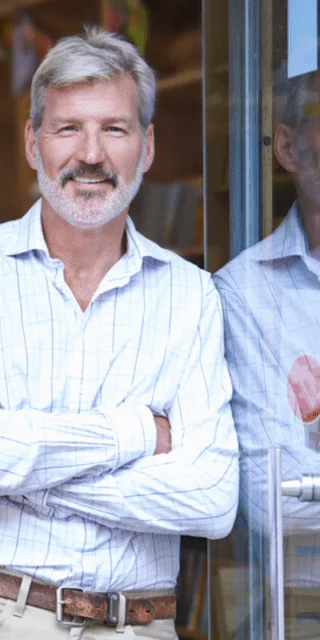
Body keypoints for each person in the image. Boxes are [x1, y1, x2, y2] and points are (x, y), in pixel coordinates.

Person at [0, 26, 239, 639]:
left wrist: (17, 471)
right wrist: (137, 433)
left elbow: (211, 497)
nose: (91, 154)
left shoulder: (192, 296)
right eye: (67, 128)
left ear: (147, 146)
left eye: (114, 129)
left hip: (138, 625)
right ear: (33, 144)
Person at [212, 61, 320, 640]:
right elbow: (271, 496)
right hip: (308, 611)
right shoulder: (244, 292)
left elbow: (304, 478)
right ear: (287, 148)